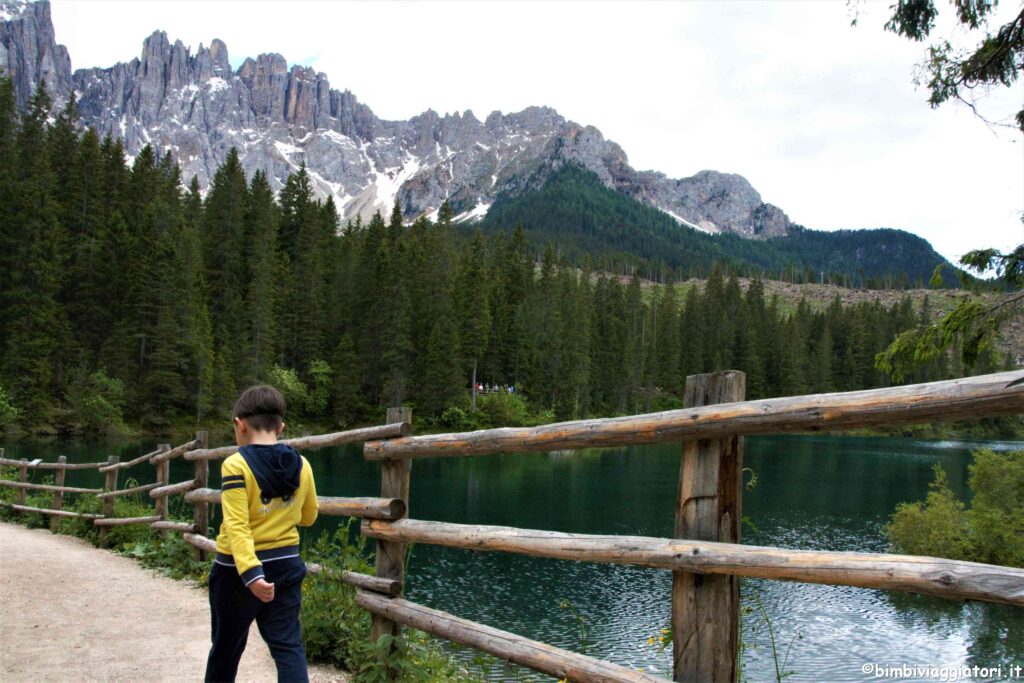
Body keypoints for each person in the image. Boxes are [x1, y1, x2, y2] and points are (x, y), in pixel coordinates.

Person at [205, 385, 318, 683]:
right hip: (287, 565)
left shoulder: (236, 464)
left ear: (239, 424)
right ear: (280, 427)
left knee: (226, 648)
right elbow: (309, 516)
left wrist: (253, 576)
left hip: (236, 572)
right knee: (287, 647)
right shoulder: (302, 464)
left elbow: (237, 526)